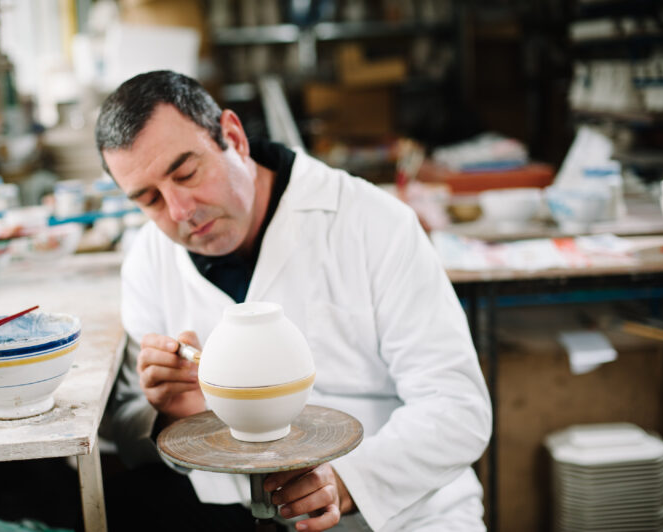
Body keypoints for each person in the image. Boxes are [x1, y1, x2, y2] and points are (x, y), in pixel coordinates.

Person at [96, 70, 492, 531]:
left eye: (186, 173)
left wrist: (346, 481)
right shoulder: (148, 258)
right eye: (149, 199)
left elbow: (458, 406)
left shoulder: (373, 223)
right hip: (242, 519)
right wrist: (168, 414)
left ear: (233, 137)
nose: (180, 211)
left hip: (404, 515)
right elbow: (122, 429)